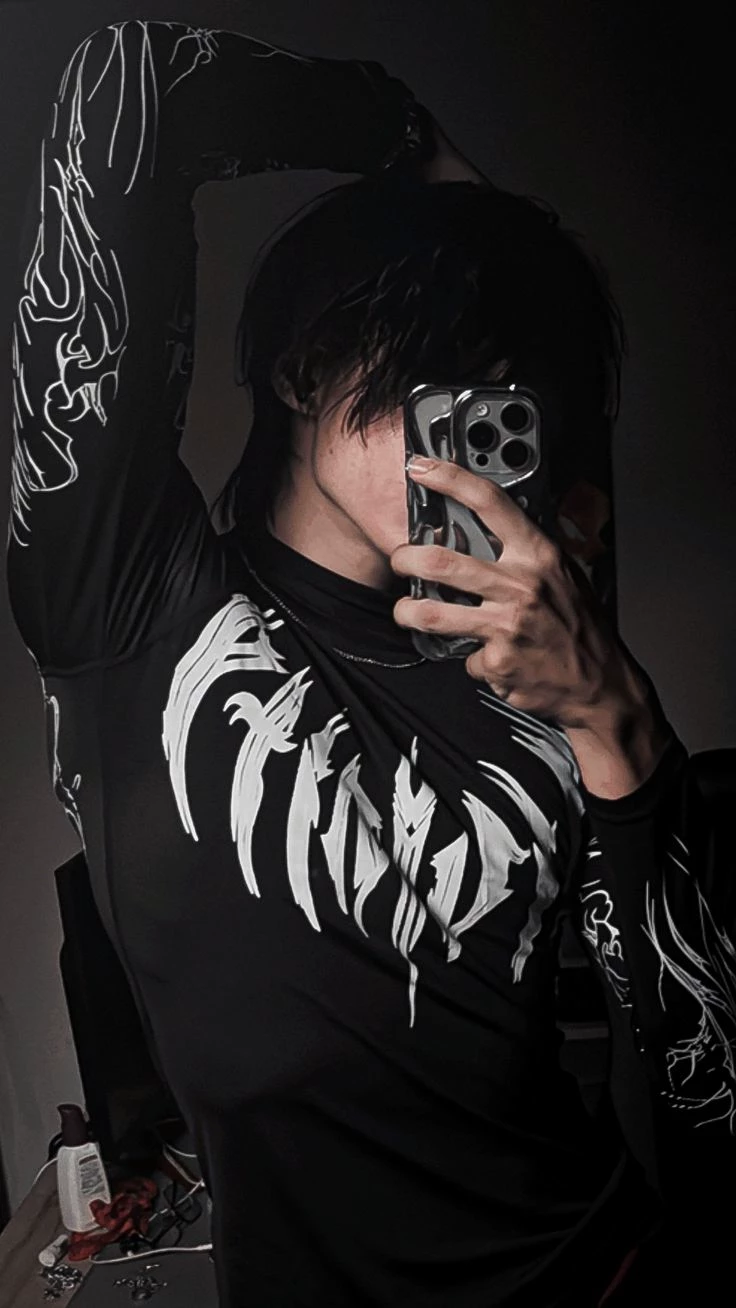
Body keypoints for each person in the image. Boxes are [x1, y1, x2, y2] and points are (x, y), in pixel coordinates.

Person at [6, 19, 734, 1307]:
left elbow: (709, 1107)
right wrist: (407, 140)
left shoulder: (538, 668)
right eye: (441, 375)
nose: (472, 430)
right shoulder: (133, 599)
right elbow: (124, 87)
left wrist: (618, 723)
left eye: (511, 400)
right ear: (304, 365)